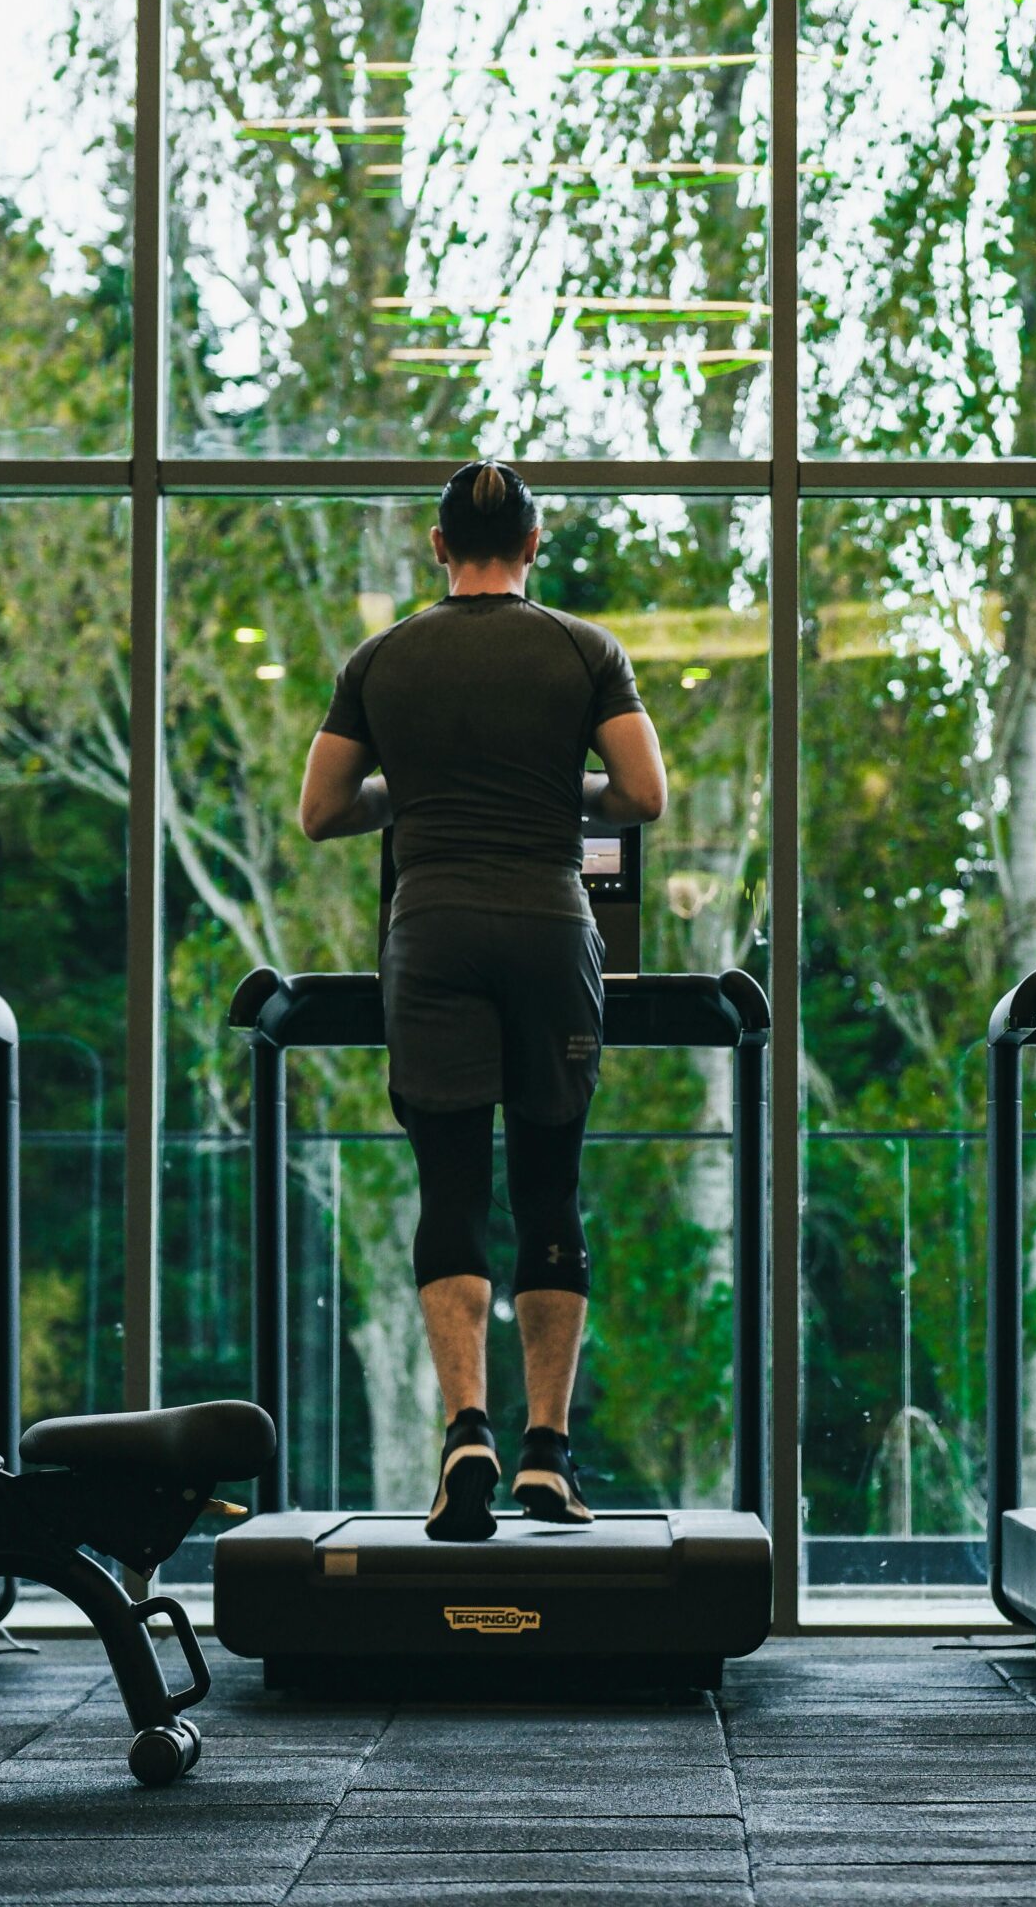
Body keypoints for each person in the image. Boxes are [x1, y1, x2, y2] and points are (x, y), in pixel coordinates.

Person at [297, 461, 666, 1541]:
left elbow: (321, 809)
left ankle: (467, 1431)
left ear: (437, 545)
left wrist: (412, 793)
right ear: (535, 545)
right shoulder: (585, 648)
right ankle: (547, 1451)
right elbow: (641, 794)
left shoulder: (382, 657)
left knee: (449, 1186)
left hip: (433, 931)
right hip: (551, 928)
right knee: (550, 1186)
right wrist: (561, 789)